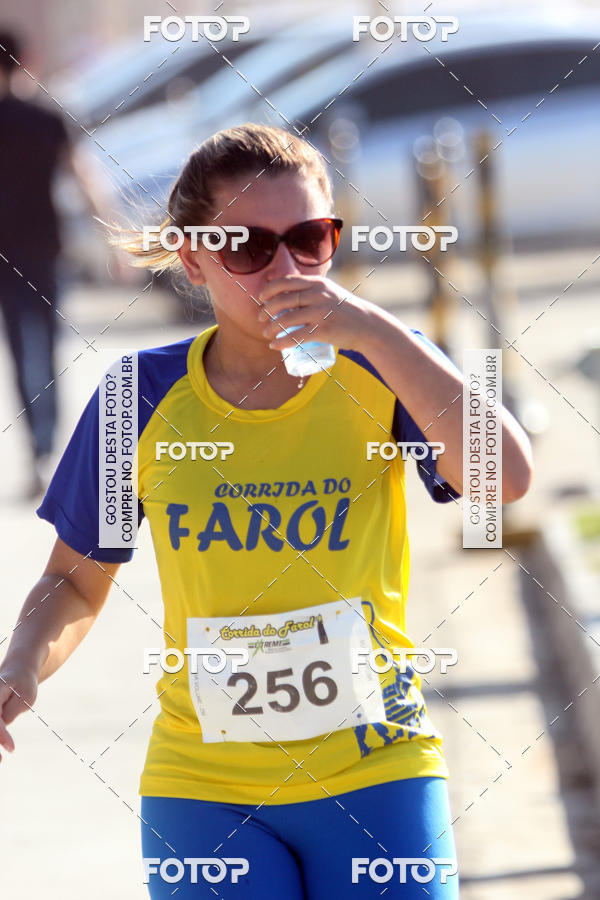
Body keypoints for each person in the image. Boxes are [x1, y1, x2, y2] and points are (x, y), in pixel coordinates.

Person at [0, 123, 533, 897]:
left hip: (378, 769)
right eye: (247, 245)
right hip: (205, 789)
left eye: (310, 239)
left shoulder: (382, 364)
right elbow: (76, 583)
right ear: (193, 256)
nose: (285, 267)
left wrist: (374, 328)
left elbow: (506, 478)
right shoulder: (138, 397)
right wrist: (22, 663)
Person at [0, 29, 120, 498]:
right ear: (27, 60)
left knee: (17, 350)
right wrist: (113, 237)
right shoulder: (47, 119)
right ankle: (49, 451)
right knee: (47, 348)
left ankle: (37, 451)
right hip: (45, 247)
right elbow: (86, 180)